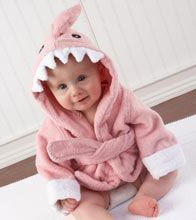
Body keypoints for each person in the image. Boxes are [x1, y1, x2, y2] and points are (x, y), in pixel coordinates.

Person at [31, 4, 185, 220]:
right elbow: (49, 161)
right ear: (50, 92)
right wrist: (65, 191)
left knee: (168, 170)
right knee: (81, 208)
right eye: (62, 87)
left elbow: (148, 125)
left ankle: (144, 197)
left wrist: (157, 156)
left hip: (135, 170)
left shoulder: (121, 99)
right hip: (94, 185)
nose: (75, 91)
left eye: (81, 78)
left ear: (101, 72)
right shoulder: (55, 125)